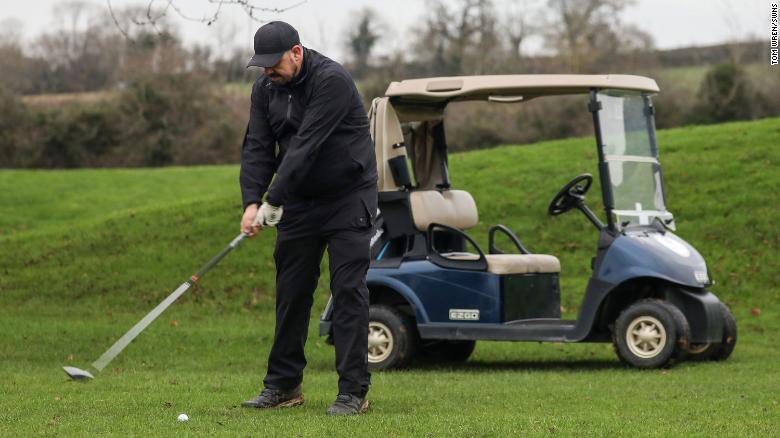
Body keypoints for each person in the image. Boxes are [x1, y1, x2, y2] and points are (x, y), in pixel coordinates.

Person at [238, 21, 377, 416]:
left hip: (348, 196)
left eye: (274, 63)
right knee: (292, 290)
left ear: (296, 53)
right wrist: (251, 202)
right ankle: (283, 386)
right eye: (261, 65)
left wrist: (274, 199)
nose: (267, 71)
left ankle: (353, 392)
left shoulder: (331, 80)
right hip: (300, 201)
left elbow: (306, 146)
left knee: (348, 290)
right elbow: (258, 147)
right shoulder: (265, 89)